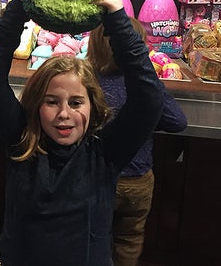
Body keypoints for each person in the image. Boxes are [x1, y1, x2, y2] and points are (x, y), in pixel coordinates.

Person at [0, 0, 165, 266]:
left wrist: (118, 22)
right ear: (36, 104)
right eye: (52, 101)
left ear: (93, 106)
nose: (64, 114)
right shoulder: (23, 140)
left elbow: (149, 99)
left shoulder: (104, 153)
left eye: (76, 102)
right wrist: (18, 9)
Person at [87, 17, 187, 266]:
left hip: (96, 178)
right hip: (138, 180)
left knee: (94, 235)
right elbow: (177, 121)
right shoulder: (146, 86)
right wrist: (145, 120)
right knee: (129, 239)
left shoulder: (86, 81)